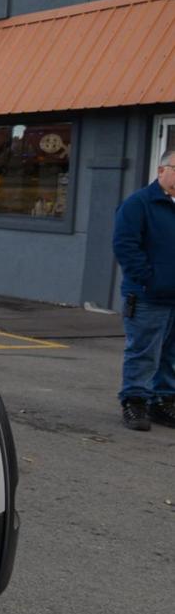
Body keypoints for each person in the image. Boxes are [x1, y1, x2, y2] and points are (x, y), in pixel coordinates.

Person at [111, 150, 175, 432]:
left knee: (171, 353)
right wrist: (149, 279)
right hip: (148, 295)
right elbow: (125, 245)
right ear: (161, 170)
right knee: (143, 351)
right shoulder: (140, 203)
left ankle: (163, 402)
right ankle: (135, 402)